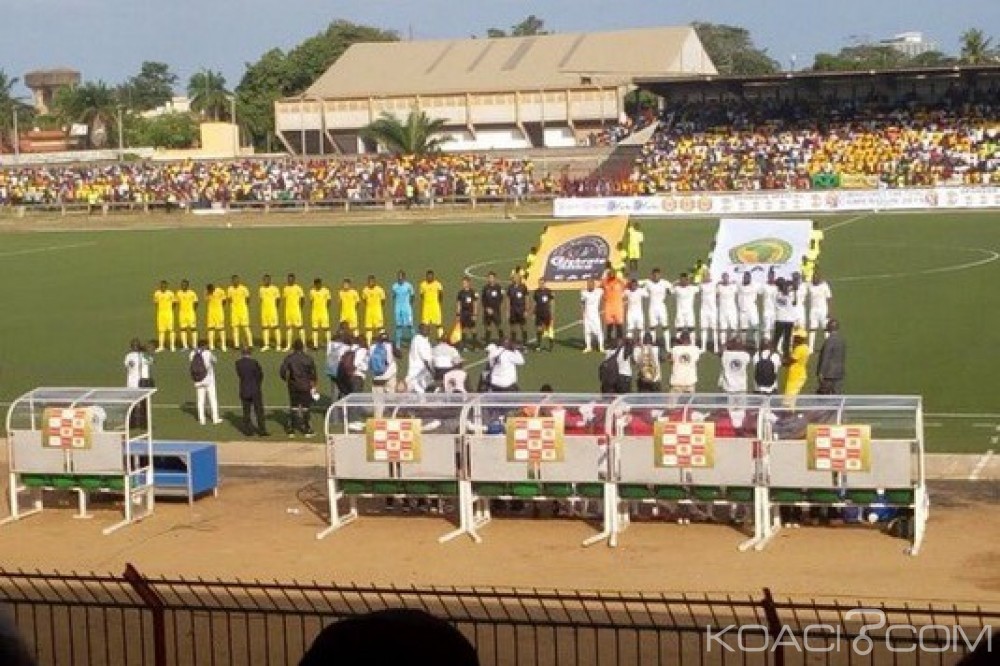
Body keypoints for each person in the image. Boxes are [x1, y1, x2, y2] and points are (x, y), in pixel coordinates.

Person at [279, 339, 317, 437]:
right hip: (305, 385)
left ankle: (291, 430)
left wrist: (287, 380)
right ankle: (307, 429)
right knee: (306, 408)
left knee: (294, 407)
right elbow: (313, 373)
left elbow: (282, 371)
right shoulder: (308, 358)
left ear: (293, 347)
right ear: (302, 347)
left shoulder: (289, 358)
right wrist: (313, 384)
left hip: (293, 385)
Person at [235, 347, 268, 436]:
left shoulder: (238, 363)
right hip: (255, 389)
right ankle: (262, 431)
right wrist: (257, 384)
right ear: (250, 353)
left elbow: (240, 375)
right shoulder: (254, 363)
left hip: (244, 388)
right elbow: (260, 375)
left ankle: (248, 431)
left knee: (246, 412)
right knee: (259, 411)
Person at [189, 339, 222, 425]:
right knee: (212, 399)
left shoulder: (192, 353)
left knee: (200, 400)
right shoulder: (208, 353)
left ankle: (202, 420)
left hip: (198, 380)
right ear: (205, 346)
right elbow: (215, 361)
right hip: (209, 379)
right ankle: (215, 418)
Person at [125, 338, 154, 428]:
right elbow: (152, 361)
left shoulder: (128, 356)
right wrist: (145, 351)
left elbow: (127, 366)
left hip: (131, 383)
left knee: (131, 404)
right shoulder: (144, 356)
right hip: (143, 383)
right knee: (144, 405)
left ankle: (132, 424)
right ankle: (144, 424)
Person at [642, 268, 672, 350]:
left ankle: (668, 347)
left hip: (661, 307)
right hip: (652, 308)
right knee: (652, 327)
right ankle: (653, 345)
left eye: (657, 275)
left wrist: (669, 291)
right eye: (654, 275)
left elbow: (671, 291)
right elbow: (644, 292)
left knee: (665, 327)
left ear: (660, 275)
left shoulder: (665, 283)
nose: (656, 277)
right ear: (652, 275)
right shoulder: (648, 283)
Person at [816, 318, 846, 394]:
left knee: (824, 397)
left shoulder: (829, 341)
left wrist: (821, 372)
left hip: (828, 374)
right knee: (837, 396)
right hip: (839, 373)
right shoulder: (841, 341)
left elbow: (825, 357)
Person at [783, 328, 811, 408]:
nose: (794, 338)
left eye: (796, 337)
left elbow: (790, 361)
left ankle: (789, 415)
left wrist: (781, 361)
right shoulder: (805, 347)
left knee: (788, 399)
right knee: (791, 397)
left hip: (795, 376)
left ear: (800, 338)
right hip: (800, 374)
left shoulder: (799, 349)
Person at [807, 272, 833, 351]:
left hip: (823, 309)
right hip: (813, 310)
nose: (814, 279)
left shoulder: (824, 286)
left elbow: (829, 298)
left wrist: (830, 311)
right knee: (812, 328)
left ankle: (828, 346)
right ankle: (811, 348)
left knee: (826, 328)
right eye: (813, 278)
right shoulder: (810, 286)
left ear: (819, 278)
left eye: (816, 278)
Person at [405, 324, 434, 393]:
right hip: (419, 372)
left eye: (428, 330)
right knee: (420, 392)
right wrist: (432, 371)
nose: (428, 331)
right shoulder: (420, 341)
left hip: (418, 371)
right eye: (426, 330)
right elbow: (425, 359)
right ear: (420, 330)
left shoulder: (417, 339)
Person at [391, 270, 415, 348]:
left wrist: (409, 305)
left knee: (410, 325)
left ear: (404, 277)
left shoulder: (408, 286)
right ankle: (398, 344)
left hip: (406, 308)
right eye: (398, 277)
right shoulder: (394, 286)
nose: (400, 278)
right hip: (398, 308)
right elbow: (393, 296)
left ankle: (415, 342)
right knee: (398, 326)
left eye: (401, 277)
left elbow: (412, 296)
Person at [773, 279, 797, 357]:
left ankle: (783, 354)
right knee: (779, 338)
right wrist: (794, 290)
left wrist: (793, 291)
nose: (786, 288)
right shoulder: (778, 295)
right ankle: (777, 352)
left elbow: (794, 302)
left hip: (785, 320)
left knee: (784, 338)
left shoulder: (779, 294)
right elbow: (794, 302)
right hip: (783, 319)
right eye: (784, 286)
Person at [227, 274, 253, 349]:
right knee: (235, 328)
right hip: (234, 312)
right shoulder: (230, 289)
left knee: (246, 327)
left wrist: (243, 306)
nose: (235, 281)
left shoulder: (244, 288)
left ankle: (250, 344)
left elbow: (247, 299)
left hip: (243, 311)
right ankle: (236, 345)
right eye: (233, 280)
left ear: (238, 280)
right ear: (232, 281)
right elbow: (229, 300)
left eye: (236, 280)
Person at [580, 278, 605, 353]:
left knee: (599, 331)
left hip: (595, 315)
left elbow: (605, 287)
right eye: (588, 284)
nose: (589, 285)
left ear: (594, 284)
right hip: (587, 316)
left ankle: (601, 347)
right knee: (587, 332)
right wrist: (582, 314)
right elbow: (582, 303)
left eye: (591, 284)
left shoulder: (599, 291)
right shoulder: (583, 292)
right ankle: (588, 347)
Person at [673, 273, 698, 345]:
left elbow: (700, 288)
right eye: (681, 280)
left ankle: (693, 344)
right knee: (679, 329)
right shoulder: (677, 289)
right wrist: (676, 282)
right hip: (680, 312)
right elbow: (669, 290)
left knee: (691, 329)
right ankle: (679, 344)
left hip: (689, 312)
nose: (683, 281)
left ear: (687, 280)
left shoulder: (693, 288)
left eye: (685, 280)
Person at [601, 269, 626, 342]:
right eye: (610, 274)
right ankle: (609, 341)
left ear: (615, 274)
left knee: (619, 325)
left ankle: (620, 341)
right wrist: (603, 296)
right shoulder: (604, 282)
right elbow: (599, 288)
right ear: (608, 275)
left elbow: (627, 285)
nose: (611, 275)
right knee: (609, 325)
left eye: (612, 274)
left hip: (618, 307)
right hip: (608, 307)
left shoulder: (619, 281)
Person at [282, 273, 306, 351]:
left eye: (291, 279)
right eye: (289, 279)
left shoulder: (298, 288)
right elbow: (285, 299)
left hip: (296, 311)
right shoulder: (285, 288)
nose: (290, 280)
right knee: (289, 328)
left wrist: (299, 308)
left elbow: (302, 299)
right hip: (288, 311)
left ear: (294, 279)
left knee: (300, 327)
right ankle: (288, 346)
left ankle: (304, 345)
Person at [480, 271, 505, 346]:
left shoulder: (498, 287)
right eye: (489, 278)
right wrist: (487, 308)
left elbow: (501, 299)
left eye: (492, 277)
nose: (490, 279)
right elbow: (483, 300)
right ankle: (487, 343)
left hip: (496, 311)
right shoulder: (485, 288)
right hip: (487, 311)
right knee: (488, 327)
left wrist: (497, 308)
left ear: (495, 278)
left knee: (499, 326)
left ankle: (502, 341)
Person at [258, 273, 282, 351]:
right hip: (264, 311)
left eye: (267, 280)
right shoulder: (261, 289)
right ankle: (266, 345)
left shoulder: (275, 288)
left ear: (270, 280)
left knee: (275, 327)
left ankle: (278, 345)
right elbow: (261, 299)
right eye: (264, 280)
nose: (266, 281)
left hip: (273, 311)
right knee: (265, 328)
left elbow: (278, 300)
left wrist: (275, 308)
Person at [419, 270, 445, 339]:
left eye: (431, 276)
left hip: (435, 307)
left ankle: (441, 339)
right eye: (428, 276)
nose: (429, 278)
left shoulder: (438, 284)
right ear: (426, 276)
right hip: (426, 308)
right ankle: (425, 340)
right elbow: (421, 295)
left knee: (438, 325)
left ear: (433, 276)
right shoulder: (423, 284)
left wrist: (438, 303)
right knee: (425, 326)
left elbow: (441, 294)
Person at [737, 272, 761, 347]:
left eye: (747, 277)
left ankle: (757, 345)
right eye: (744, 277)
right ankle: (743, 343)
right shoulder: (739, 285)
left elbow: (762, 288)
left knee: (755, 327)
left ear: (750, 278)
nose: (746, 279)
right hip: (742, 310)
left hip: (752, 309)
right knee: (743, 328)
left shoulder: (755, 285)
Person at [361, 275, 386, 345]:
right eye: (369, 281)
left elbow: (383, 300)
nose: (371, 282)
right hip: (369, 312)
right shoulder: (365, 290)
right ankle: (368, 345)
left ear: (375, 281)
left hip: (377, 312)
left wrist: (378, 308)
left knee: (380, 328)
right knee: (368, 328)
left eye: (372, 281)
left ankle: (383, 343)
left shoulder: (380, 290)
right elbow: (364, 300)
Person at [531, 278, 555, 351]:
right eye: (539, 283)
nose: (541, 284)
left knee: (549, 329)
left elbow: (552, 302)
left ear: (545, 283)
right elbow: (535, 303)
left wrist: (552, 313)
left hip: (547, 313)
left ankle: (551, 345)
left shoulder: (548, 291)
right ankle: (538, 345)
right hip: (539, 313)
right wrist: (533, 312)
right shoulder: (536, 292)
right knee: (539, 329)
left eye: (542, 283)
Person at [506, 273, 530, 346]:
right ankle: (513, 343)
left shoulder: (523, 287)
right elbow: (508, 299)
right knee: (513, 327)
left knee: (523, 326)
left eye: (517, 278)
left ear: (520, 279)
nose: (515, 279)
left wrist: (526, 310)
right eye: (514, 278)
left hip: (521, 309)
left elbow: (527, 298)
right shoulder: (510, 287)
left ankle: (525, 343)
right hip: (513, 310)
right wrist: (508, 310)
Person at [716, 272, 739, 349]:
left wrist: (733, 282)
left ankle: (732, 343)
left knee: (733, 328)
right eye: (724, 278)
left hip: (732, 310)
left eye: (726, 277)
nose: (725, 279)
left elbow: (740, 285)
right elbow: (716, 295)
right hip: (722, 310)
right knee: (723, 328)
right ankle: (723, 345)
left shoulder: (733, 286)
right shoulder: (719, 287)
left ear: (728, 278)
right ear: (722, 278)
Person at [455, 277, 479, 349]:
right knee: (463, 329)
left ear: (469, 283)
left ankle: (474, 345)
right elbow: (459, 304)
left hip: (470, 313)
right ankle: (463, 345)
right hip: (463, 313)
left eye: (465, 283)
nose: (463, 284)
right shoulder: (460, 293)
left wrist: (475, 314)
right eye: (463, 283)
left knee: (473, 329)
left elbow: (475, 303)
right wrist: (458, 314)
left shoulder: (473, 292)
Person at [152, 279, 176, 352]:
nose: (163, 287)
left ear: (167, 286)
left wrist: (170, 310)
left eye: (164, 286)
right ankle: (161, 346)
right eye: (162, 286)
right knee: (161, 331)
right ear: (160, 286)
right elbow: (156, 303)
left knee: (171, 330)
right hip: (160, 314)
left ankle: (172, 346)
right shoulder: (157, 293)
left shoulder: (170, 293)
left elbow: (174, 303)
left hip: (169, 314)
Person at [175, 278, 199, 350]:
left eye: (185, 285)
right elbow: (176, 302)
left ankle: (195, 345)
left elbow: (196, 302)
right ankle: (185, 346)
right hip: (182, 314)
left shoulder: (192, 293)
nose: (183, 286)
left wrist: (193, 310)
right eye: (182, 285)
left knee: (193, 329)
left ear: (187, 285)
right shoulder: (178, 293)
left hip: (191, 313)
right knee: (183, 329)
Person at [309, 278, 332, 350]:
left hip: (323, 312)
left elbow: (329, 301)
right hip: (315, 313)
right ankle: (315, 345)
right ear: (314, 284)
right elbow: (311, 301)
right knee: (314, 329)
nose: (317, 285)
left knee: (326, 328)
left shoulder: (326, 290)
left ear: (321, 283)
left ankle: (329, 345)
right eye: (316, 284)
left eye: (319, 284)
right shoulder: (312, 291)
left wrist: (325, 309)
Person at [697, 273, 717, 353]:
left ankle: (716, 347)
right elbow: (697, 290)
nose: (706, 278)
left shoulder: (714, 284)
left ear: (710, 276)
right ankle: (703, 347)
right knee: (704, 328)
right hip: (704, 309)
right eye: (704, 276)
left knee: (714, 329)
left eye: (707, 276)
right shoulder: (701, 285)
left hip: (712, 310)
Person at [205, 282, 228, 352]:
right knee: (211, 328)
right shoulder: (207, 292)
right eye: (209, 290)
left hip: (219, 312)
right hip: (211, 313)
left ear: (213, 288)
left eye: (211, 290)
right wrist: (208, 293)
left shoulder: (220, 291)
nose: (210, 291)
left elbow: (224, 301)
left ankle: (223, 346)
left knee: (221, 328)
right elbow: (207, 300)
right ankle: (211, 345)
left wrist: (220, 307)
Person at [624, 278, 646, 342]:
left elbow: (647, 295)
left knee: (641, 328)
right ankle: (630, 343)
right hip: (630, 314)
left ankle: (641, 342)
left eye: (635, 285)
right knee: (630, 329)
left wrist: (642, 286)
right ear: (630, 285)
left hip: (639, 314)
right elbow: (621, 297)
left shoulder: (641, 291)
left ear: (637, 285)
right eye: (632, 285)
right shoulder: (627, 291)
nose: (633, 286)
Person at [761, 271, 779, 344]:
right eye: (769, 276)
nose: (771, 277)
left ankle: (775, 345)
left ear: (774, 276)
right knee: (766, 328)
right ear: (767, 276)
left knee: (775, 328)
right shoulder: (764, 286)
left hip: (775, 311)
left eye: (772, 276)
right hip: (767, 310)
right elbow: (759, 292)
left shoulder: (777, 287)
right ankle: (766, 345)